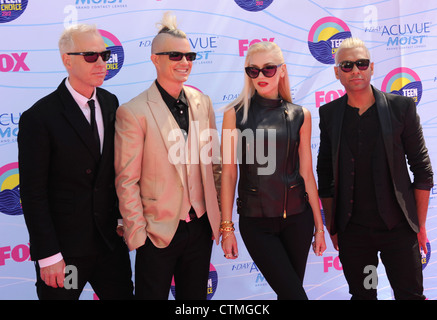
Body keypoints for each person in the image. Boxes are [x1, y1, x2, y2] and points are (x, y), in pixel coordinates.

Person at [18, 24, 134, 300]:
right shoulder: (40, 117)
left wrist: (122, 221)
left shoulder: (110, 102)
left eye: (104, 55)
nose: (102, 63)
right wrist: (48, 256)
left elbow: (113, 172)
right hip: (65, 255)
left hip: (110, 247)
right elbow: (33, 194)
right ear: (66, 60)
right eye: (91, 56)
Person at [114, 12, 221, 300]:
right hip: (156, 232)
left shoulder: (203, 102)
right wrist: (138, 236)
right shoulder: (133, 112)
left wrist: (217, 218)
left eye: (190, 56)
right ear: (155, 59)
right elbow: (126, 180)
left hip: (199, 227)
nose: (185, 62)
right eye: (175, 55)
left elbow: (214, 165)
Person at [317, 37, 433, 300]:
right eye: (347, 65)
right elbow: (325, 174)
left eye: (361, 63)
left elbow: (423, 170)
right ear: (337, 72)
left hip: (399, 230)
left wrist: (420, 225)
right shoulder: (329, 115)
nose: (355, 70)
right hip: (354, 234)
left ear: (371, 68)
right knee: (364, 296)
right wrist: (333, 225)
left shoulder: (401, 108)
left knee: (410, 296)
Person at [220, 41, 326, 300]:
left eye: (268, 69)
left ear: (282, 70)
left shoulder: (301, 115)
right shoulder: (235, 115)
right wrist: (227, 227)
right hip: (257, 223)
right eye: (253, 71)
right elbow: (229, 173)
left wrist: (319, 227)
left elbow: (306, 173)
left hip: (298, 221)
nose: (261, 76)